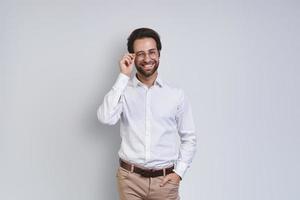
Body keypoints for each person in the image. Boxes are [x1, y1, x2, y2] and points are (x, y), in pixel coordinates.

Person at [97, 27, 197, 200]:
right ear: (132, 57)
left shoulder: (176, 95)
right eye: (140, 54)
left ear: (159, 54)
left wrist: (178, 173)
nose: (147, 58)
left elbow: (190, 138)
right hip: (130, 180)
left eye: (152, 52)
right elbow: (105, 117)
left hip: (165, 181)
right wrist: (123, 76)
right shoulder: (124, 91)